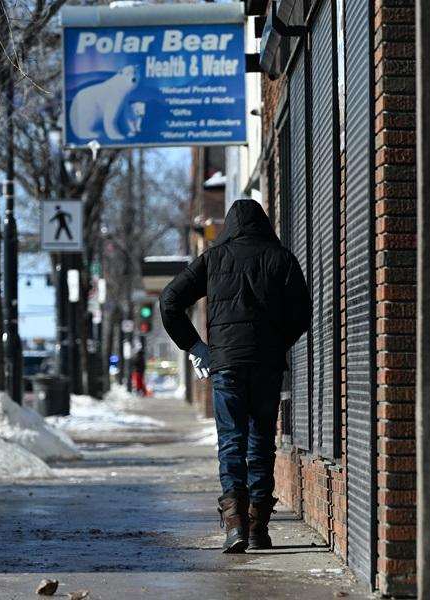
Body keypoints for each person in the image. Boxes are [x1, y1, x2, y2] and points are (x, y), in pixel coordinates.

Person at [159, 199, 310, 553]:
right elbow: (301, 313)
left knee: (231, 441)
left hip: (226, 365)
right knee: (260, 442)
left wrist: (196, 346)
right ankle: (258, 526)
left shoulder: (213, 260)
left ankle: (234, 526)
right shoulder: (281, 259)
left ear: (228, 227)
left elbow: (169, 300)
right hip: (267, 366)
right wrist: (276, 342)